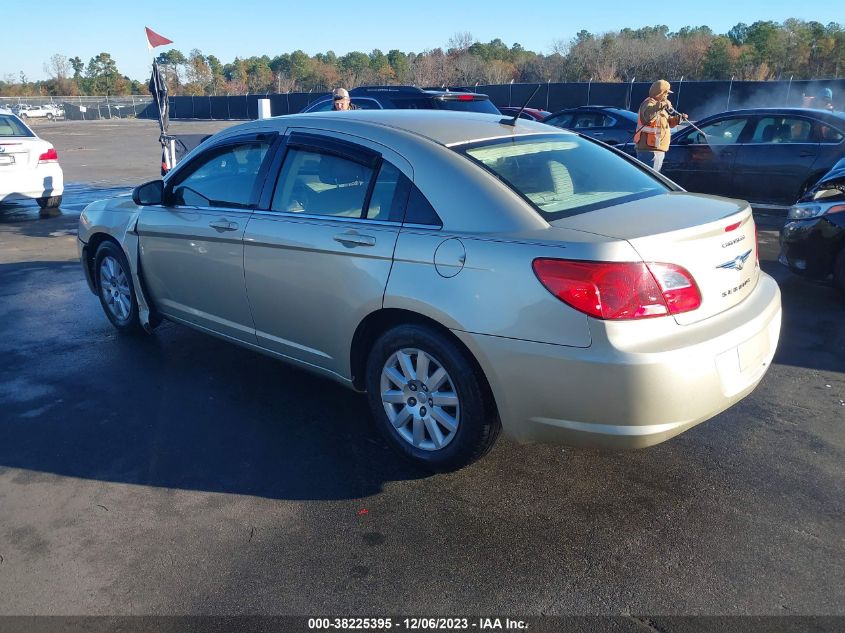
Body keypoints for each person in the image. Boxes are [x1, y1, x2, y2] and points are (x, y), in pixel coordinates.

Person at [634, 79, 687, 172]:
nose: (667, 96)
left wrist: (678, 119)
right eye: (666, 94)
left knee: (653, 178)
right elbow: (648, 117)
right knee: (650, 180)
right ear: (661, 93)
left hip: (656, 150)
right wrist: (662, 104)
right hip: (649, 151)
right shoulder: (649, 103)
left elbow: (667, 123)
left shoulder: (658, 106)